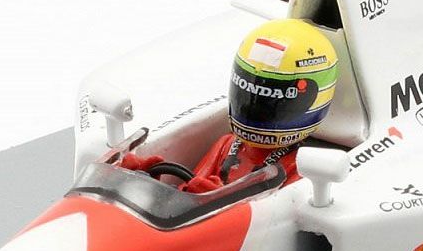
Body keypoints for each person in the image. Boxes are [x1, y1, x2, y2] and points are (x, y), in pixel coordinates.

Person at [121, 18, 338, 193]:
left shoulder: (305, 168)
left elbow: (268, 218)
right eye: (250, 93)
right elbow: (190, 188)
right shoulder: (228, 144)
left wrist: (211, 200)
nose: (255, 108)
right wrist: (147, 186)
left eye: (271, 99)